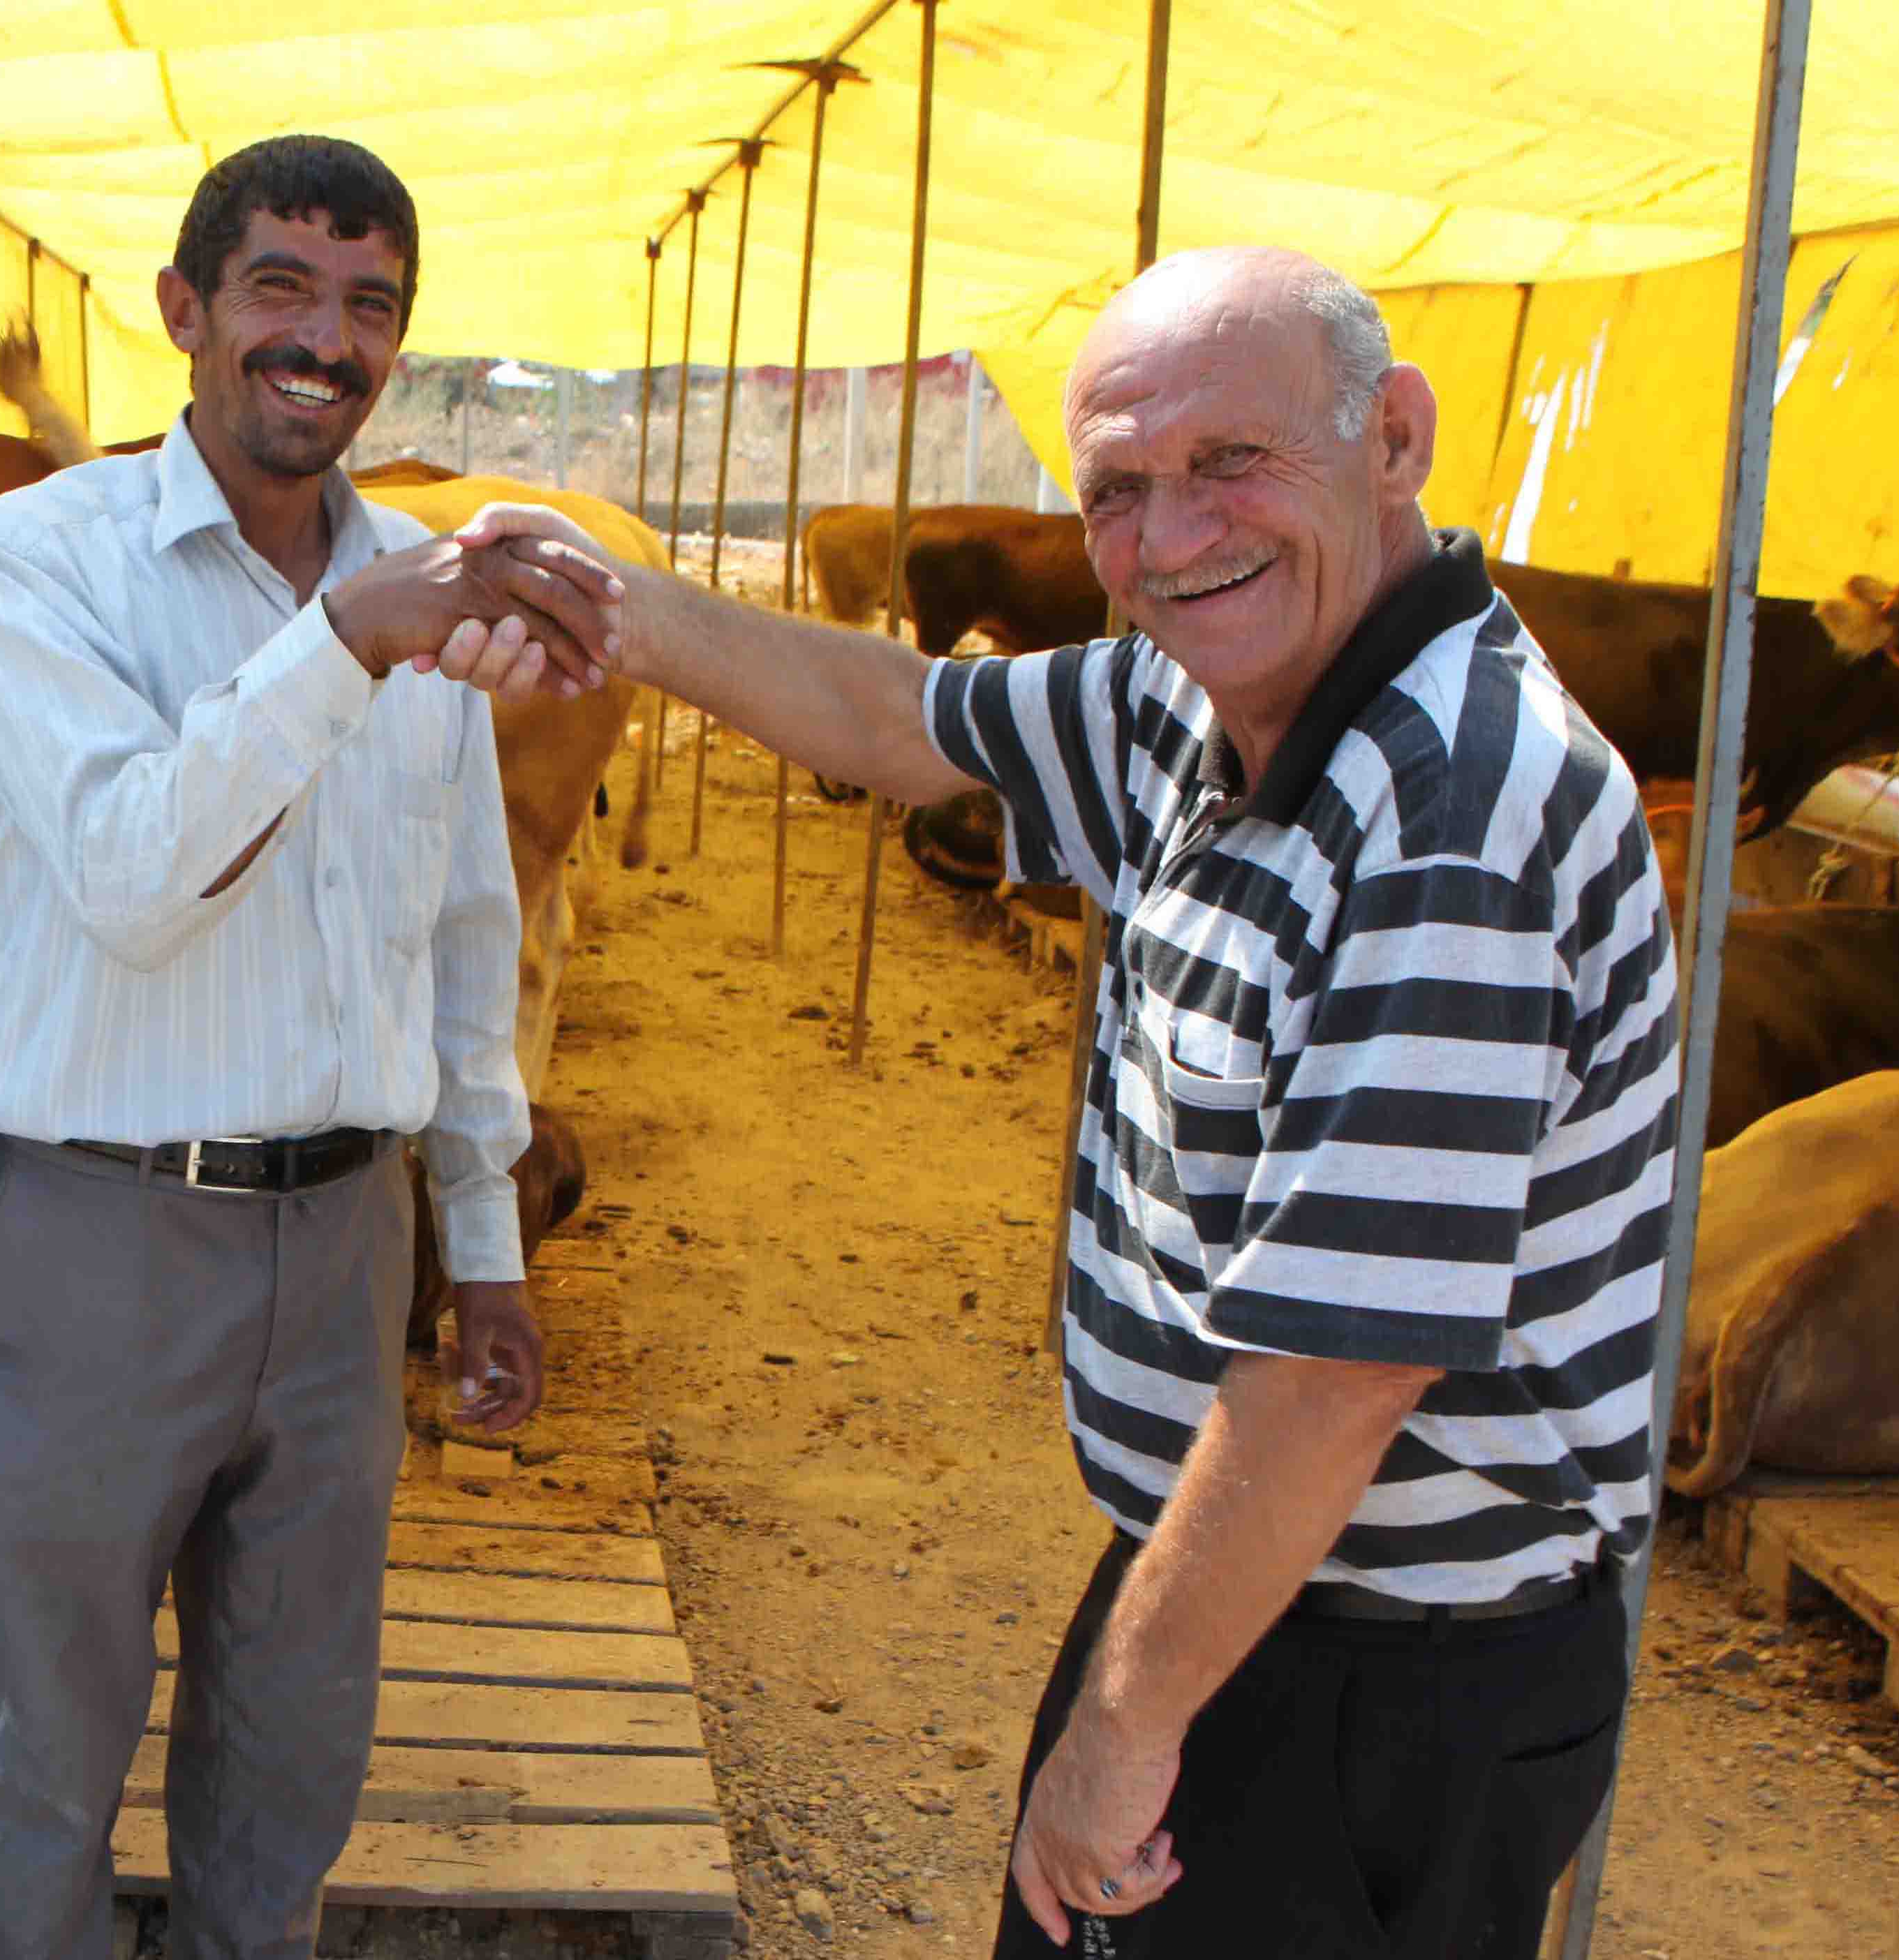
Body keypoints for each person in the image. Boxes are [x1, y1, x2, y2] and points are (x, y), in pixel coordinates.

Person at [421, 246, 1680, 1958]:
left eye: (1233, 462)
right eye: (1119, 491)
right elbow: (901, 714)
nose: (1171, 538)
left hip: (1379, 1666)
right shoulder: (1207, 691)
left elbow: (1338, 1379)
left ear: (1395, 438)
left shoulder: (1451, 813)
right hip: (1253, 1591)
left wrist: (1126, 1730)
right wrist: (616, 608)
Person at [0, 135, 613, 1960]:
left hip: (346, 1246)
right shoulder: (28, 566)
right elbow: (132, 878)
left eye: (370, 305)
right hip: (101, 1234)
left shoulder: (418, 587)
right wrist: (343, 645)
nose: (326, 340)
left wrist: (482, 1242)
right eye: (282, 289)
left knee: (296, 1741)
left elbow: (465, 937)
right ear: (186, 309)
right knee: (48, 1748)